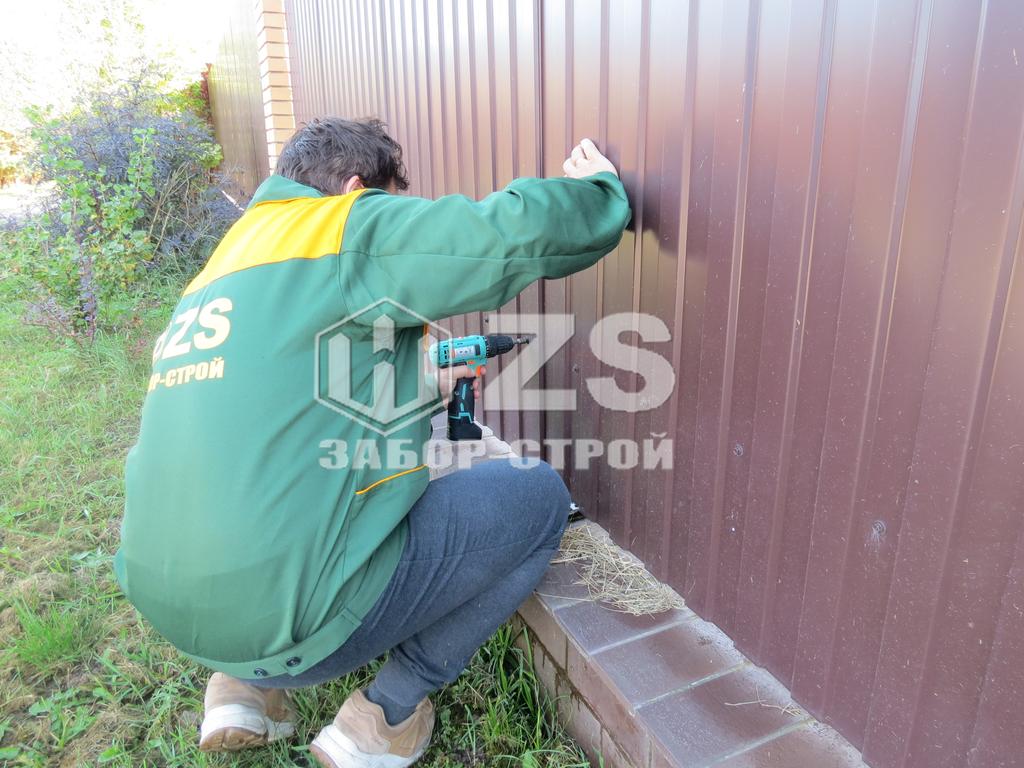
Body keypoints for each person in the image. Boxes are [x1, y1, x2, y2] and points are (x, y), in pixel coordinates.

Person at [115, 117, 629, 768]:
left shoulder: (222, 268)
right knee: (538, 498)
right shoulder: (338, 226)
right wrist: (597, 194)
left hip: (169, 602)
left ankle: (241, 690)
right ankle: (385, 717)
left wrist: (423, 384)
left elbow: (290, 406)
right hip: (291, 619)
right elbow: (502, 234)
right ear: (357, 190)